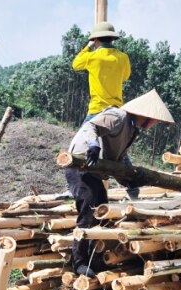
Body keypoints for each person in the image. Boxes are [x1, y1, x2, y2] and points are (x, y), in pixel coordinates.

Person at [66, 89, 175, 276]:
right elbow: (89, 127)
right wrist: (93, 145)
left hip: (95, 172)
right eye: (155, 121)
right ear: (146, 116)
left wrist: (131, 180)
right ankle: (79, 263)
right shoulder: (118, 116)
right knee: (88, 212)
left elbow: (120, 158)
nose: (155, 125)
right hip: (81, 167)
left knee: (101, 213)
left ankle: (94, 259)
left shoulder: (131, 129)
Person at [71, 21, 131, 124]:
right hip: (117, 110)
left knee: (82, 139)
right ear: (112, 39)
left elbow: (75, 64)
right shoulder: (123, 57)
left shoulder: (91, 57)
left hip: (97, 110)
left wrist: (88, 47)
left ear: (95, 39)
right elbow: (125, 76)